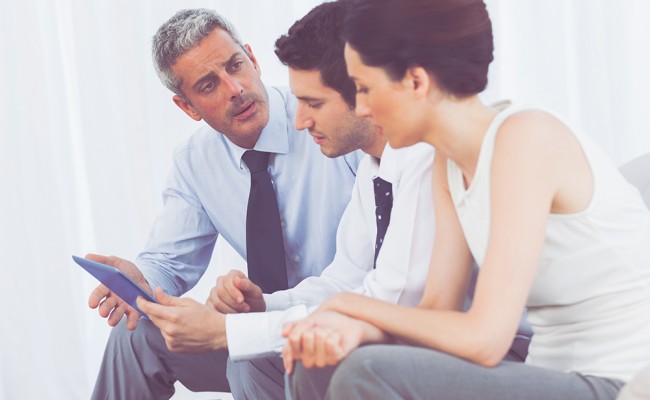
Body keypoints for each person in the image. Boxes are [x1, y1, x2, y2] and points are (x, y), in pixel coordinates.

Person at [283, 0, 650, 399]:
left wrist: (345, 306)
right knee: (319, 361)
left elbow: (485, 340)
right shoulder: (448, 163)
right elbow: (437, 313)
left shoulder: (526, 138)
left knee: (365, 371)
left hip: (619, 382)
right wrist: (346, 329)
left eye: (365, 89)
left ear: (416, 82)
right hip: (548, 375)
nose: (363, 108)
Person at [138, 1, 438, 397]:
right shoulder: (372, 167)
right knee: (155, 339)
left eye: (312, 104)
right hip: (345, 330)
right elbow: (341, 283)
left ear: (361, 91)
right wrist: (261, 307)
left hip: (418, 349)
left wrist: (233, 331)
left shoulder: (418, 155)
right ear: (187, 106)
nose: (298, 121)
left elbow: (389, 303)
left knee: (262, 360)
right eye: (209, 84)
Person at [85, 8, 364, 400]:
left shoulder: (330, 124)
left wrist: (252, 323)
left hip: (338, 326)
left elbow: (371, 273)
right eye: (207, 85)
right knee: (137, 336)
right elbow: (167, 261)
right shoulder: (195, 161)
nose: (234, 88)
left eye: (236, 65)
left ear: (253, 59)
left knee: (248, 352)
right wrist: (141, 280)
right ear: (188, 108)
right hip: (265, 320)